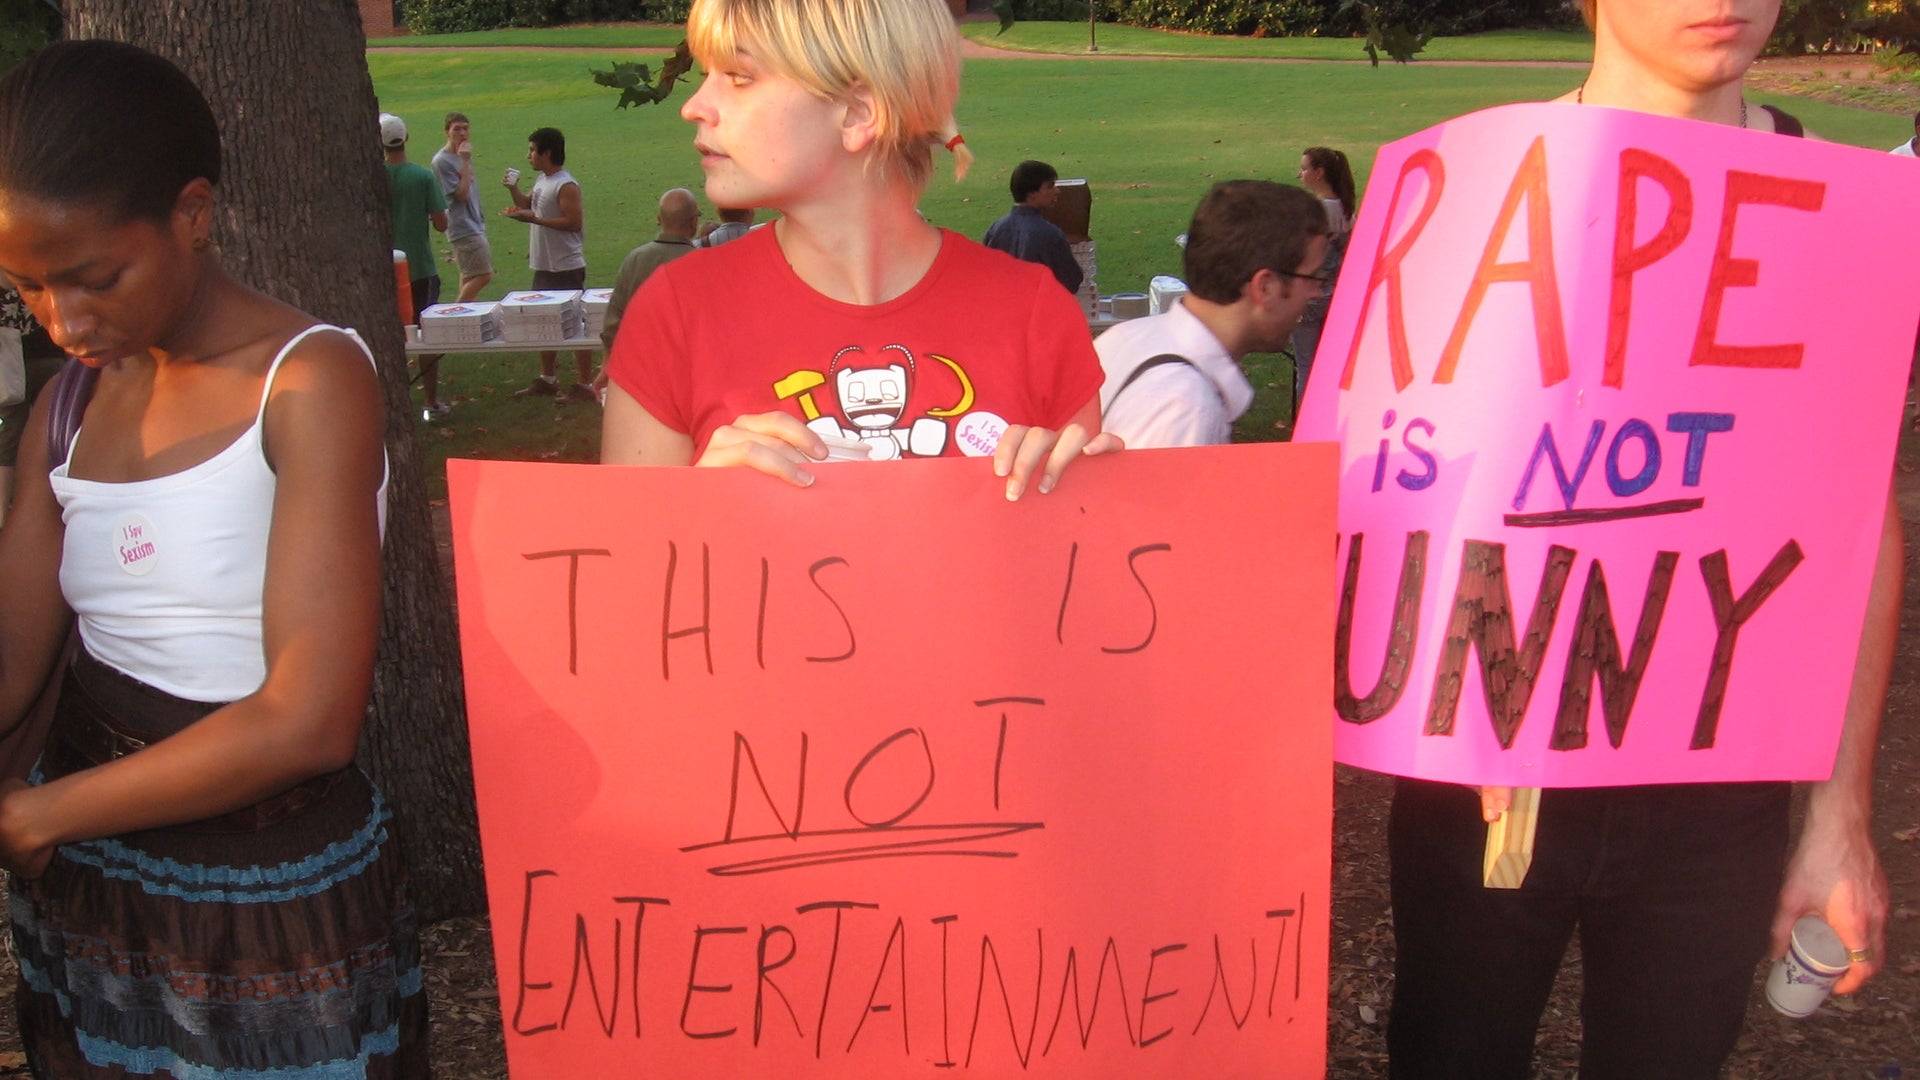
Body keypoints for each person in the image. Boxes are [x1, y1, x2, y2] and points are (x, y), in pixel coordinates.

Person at [1383, 2, 1899, 1077]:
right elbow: (1393, 474)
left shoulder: (1842, 209)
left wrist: (1838, 817)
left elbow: (1853, 518)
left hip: (1717, 793)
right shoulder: (1479, 188)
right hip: (1487, 772)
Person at [0, 40, 426, 1077]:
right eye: (25, 289)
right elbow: (14, 650)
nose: (65, 320)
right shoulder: (67, 408)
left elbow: (307, 720)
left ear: (192, 213)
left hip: (263, 903)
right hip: (91, 889)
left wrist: (37, 814)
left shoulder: (306, 382)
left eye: (96, 278)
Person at [602, 0, 1113, 498]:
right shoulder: (674, 315)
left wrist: (1090, 496)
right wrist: (695, 511)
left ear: (856, 113)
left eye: (737, 76)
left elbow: (1084, 567)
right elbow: (622, 568)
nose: (694, 106)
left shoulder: (1036, 316)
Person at [1097, 180, 1327, 448]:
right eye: (1312, 277)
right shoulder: (1185, 407)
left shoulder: (1128, 336)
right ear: (1265, 287)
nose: (1317, 292)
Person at [503, 125, 595, 404]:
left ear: (547, 152)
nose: (528, 155)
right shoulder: (543, 180)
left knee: (575, 324)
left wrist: (534, 219)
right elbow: (528, 204)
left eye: (532, 150)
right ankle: (547, 379)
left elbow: (573, 223)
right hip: (544, 265)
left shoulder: (566, 185)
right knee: (542, 319)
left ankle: (584, 383)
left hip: (565, 266)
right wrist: (513, 190)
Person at [383, 111, 450, 417]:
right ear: (405, 138)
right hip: (419, 268)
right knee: (425, 335)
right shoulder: (422, 176)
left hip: (383, 270)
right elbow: (441, 223)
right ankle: (431, 400)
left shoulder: (375, 177)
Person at [1291, 145, 1355, 410]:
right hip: (1339, 296)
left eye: (1305, 168)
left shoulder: (1314, 211)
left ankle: (1308, 422)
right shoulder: (1347, 209)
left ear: (1319, 172)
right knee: (1330, 364)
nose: (1300, 174)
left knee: (1307, 366)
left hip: (1310, 299)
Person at [601, 187, 701, 350]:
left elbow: (613, 324)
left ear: (659, 219)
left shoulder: (635, 259)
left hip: (641, 361)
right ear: (693, 221)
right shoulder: (704, 264)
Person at [0, 287, 62, 526]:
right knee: (52, 433)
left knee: (8, 439)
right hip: (43, 354)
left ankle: (5, 516)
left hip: (12, 363)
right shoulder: (36, 272)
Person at [981, 159, 1084, 296]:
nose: (1057, 191)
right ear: (1031, 193)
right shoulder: (1049, 234)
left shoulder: (995, 229)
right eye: (1050, 186)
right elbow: (1071, 280)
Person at [432, 111, 493, 301]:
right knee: (484, 275)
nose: (462, 133)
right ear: (447, 132)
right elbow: (462, 194)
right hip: (462, 226)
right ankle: (455, 315)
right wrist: (465, 161)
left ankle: (466, 318)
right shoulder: (442, 161)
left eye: (465, 128)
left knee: (468, 276)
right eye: (457, 129)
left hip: (473, 222)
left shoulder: (462, 154)